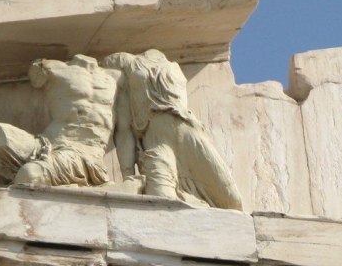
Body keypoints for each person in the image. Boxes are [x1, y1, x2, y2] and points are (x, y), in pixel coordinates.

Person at [103, 49, 243, 210]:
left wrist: (128, 175)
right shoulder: (130, 82)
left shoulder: (137, 71)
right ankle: (191, 202)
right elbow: (124, 131)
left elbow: (124, 132)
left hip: (188, 134)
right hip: (157, 144)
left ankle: (194, 202)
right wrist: (129, 179)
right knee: (162, 203)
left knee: (232, 200)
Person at [0, 54, 120, 187]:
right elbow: (36, 77)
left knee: (29, 174)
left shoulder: (116, 78)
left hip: (82, 153)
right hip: (49, 143)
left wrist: (128, 175)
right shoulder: (53, 68)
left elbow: (125, 132)